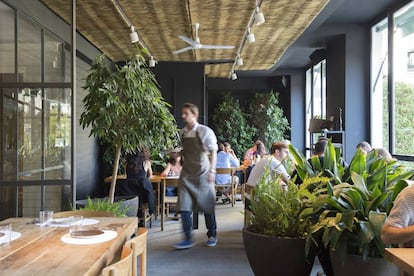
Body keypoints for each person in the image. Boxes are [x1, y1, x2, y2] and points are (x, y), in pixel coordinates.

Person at [174, 103, 218, 250]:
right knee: (184, 206)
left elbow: (213, 152)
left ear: (194, 115)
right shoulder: (183, 133)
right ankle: (187, 238)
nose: (183, 116)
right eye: (183, 113)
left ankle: (212, 235)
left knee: (207, 205)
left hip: (203, 173)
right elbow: (184, 151)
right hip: (187, 174)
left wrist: (212, 171)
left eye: (186, 113)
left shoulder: (204, 132)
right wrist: (177, 155)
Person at [125, 150, 155, 226]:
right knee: (147, 189)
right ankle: (145, 216)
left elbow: (127, 176)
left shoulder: (128, 164)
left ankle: (136, 217)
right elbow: (150, 176)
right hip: (143, 195)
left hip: (129, 194)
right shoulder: (146, 163)